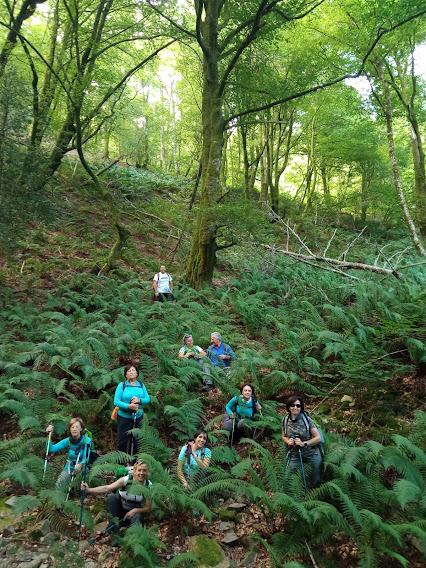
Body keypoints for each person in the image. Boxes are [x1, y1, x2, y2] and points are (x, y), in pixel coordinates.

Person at [81, 461, 152, 532]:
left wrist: (135, 510)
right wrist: (88, 490)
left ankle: (133, 532)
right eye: (139, 470)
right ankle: (113, 526)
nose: (141, 473)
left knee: (137, 517)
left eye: (144, 470)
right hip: (120, 510)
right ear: (134, 471)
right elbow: (107, 488)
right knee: (112, 497)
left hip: (135, 514)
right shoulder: (126, 480)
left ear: (147, 472)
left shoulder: (148, 485)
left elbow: (148, 508)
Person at [282, 394, 322, 488]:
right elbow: (283, 436)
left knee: (315, 478)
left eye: (298, 405)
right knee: (288, 477)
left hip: (312, 453)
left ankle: (313, 494)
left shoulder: (307, 420)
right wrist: (288, 441)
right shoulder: (285, 420)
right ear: (289, 407)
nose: (295, 407)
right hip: (295, 454)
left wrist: (304, 443)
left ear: (301, 407)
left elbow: (318, 438)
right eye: (293, 405)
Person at [45, 417, 92, 490]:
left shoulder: (87, 441)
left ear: (81, 429)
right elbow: (52, 449)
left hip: (83, 469)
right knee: (58, 486)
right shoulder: (68, 440)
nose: (74, 429)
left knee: (80, 489)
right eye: (72, 427)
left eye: (77, 427)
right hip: (69, 467)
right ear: (70, 429)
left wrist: (80, 465)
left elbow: (86, 458)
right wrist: (49, 435)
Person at [114, 364, 150, 454]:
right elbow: (116, 401)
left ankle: (134, 460)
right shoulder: (122, 385)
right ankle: (121, 460)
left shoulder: (141, 385)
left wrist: (139, 400)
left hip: (138, 417)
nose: (131, 372)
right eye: (129, 371)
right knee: (122, 441)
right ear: (126, 375)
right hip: (124, 417)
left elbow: (147, 399)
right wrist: (128, 406)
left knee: (136, 441)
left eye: (133, 370)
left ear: (137, 373)